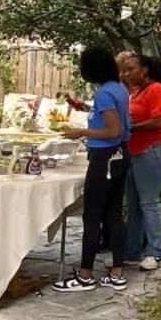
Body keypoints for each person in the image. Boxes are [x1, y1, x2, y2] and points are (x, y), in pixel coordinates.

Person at [52, 47, 131, 293]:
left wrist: (81, 132)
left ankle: (85, 274)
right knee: (114, 214)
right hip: (120, 156)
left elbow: (113, 129)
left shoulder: (105, 93)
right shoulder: (119, 88)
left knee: (92, 215)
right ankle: (117, 272)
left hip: (105, 157)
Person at [117, 53, 161, 272]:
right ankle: (132, 250)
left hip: (153, 150)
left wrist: (129, 127)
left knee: (149, 202)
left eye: (130, 69)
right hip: (136, 151)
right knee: (133, 203)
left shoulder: (157, 90)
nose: (126, 74)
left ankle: (157, 251)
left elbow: (159, 121)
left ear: (145, 70)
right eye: (124, 70)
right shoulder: (135, 92)